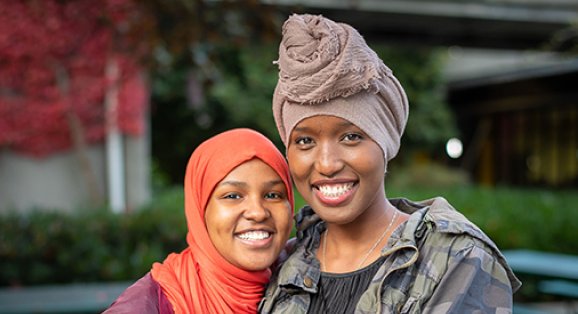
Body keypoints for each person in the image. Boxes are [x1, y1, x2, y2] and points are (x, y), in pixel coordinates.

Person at [258, 14, 521, 314]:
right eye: (304, 141)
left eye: (351, 136)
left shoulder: (456, 260)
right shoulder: (282, 263)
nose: (327, 164)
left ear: (386, 143)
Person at [103, 128, 295, 314]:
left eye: (273, 195)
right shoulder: (152, 305)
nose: (258, 212)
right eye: (233, 196)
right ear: (200, 210)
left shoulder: (304, 282)